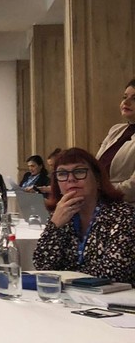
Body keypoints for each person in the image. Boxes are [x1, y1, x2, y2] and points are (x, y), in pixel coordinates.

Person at [33, 147, 135, 284]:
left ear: (97, 179)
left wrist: (66, 275)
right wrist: (54, 226)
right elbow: (42, 266)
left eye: (79, 171)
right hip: (70, 295)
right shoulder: (62, 215)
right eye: (62, 174)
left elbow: (114, 273)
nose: (71, 179)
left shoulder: (123, 215)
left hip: (114, 296)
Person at [95, 78, 135, 201]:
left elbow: (132, 188)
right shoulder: (115, 130)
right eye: (124, 97)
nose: (126, 102)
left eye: (134, 98)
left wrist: (98, 191)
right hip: (99, 200)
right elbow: (95, 166)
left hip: (126, 205)